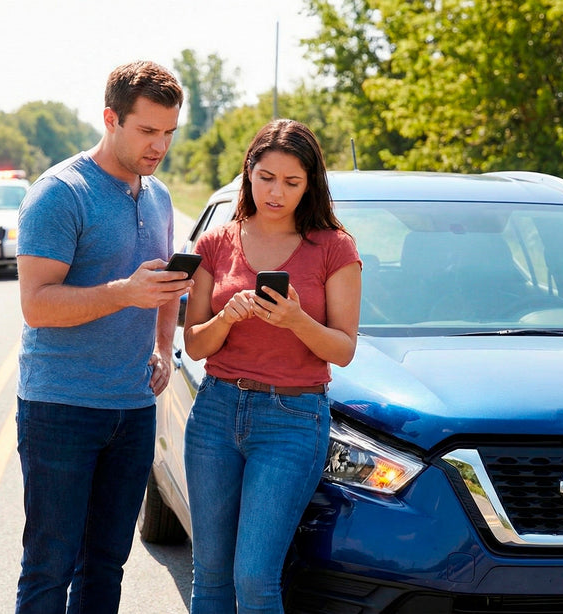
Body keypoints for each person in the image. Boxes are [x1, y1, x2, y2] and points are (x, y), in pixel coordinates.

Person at [13, 60, 192, 614]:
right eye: (146, 131)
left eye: (169, 132)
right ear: (111, 118)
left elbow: (161, 285)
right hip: (61, 407)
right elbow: (37, 305)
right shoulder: (59, 194)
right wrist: (122, 293)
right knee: (50, 567)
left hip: (134, 408)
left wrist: (164, 346)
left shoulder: (159, 196)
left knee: (106, 566)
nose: (159, 145)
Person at [182, 119, 362, 613]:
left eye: (291, 182)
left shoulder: (334, 247)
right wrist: (224, 317)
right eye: (266, 177)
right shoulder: (216, 243)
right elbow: (194, 344)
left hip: (292, 420)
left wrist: (296, 319)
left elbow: (343, 349)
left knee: (255, 577)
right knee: (211, 576)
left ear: (310, 186)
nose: (276, 193)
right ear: (248, 172)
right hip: (216, 412)